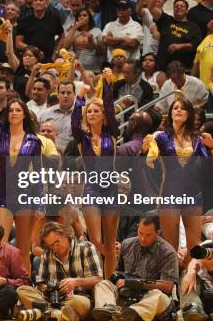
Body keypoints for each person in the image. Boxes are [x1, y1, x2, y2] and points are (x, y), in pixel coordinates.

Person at [142, 98, 213, 256]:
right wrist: (144, 151)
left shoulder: (198, 138)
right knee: (170, 247)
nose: (178, 110)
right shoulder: (161, 137)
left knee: (194, 247)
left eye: (183, 108)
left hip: (193, 196)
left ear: (189, 114)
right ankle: (173, 280)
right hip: (170, 195)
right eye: (175, 107)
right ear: (170, 113)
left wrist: (211, 148)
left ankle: (191, 279)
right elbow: (148, 163)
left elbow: (209, 166)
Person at [0, 98, 42, 273]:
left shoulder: (34, 141)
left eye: (18, 110)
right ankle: (0, 285)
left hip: (25, 195)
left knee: (23, 249)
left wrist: (39, 203)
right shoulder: (0, 134)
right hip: (3, 194)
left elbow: (37, 173)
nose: (14, 113)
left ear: (24, 115)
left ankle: (26, 288)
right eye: (11, 110)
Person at [71, 68, 119, 278]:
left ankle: (109, 282)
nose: (91, 114)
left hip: (111, 189)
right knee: (97, 241)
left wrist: (107, 84)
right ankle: (100, 277)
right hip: (91, 189)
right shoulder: (82, 138)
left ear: (103, 116)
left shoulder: (112, 134)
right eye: (88, 111)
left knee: (109, 241)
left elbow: (109, 106)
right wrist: (80, 97)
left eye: (95, 111)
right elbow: (74, 122)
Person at [92, 214, 178, 321]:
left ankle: (131, 313)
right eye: (140, 233)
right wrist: (117, 279)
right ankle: (110, 309)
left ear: (158, 233)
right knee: (103, 284)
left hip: (151, 298)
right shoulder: (126, 244)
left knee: (158, 296)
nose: (143, 238)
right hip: (127, 294)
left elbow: (168, 286)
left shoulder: (167, 252)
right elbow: (119, 271)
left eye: (148, 235)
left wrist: (138, 282)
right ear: (137, 227)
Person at [17, 221, 103, 321]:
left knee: (82, 303)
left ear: (65, 234)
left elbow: (98, 280)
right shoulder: (47, 254)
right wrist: (47, 288)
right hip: (52, 299)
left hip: (77, 298)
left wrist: (75, 282)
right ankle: (58, 314)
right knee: (22, 290)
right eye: (51, 245)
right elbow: (41, 284)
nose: (55, 247)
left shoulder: (86, 247)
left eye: (56, 242)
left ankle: (44, 313)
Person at [40, 81, 76, 153]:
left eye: (68, 93)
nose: (65, 96)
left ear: (74, 94)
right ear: (57, 95)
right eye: (62, 93)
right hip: (49, 155)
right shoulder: (45, 114)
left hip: (73, 156)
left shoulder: (81, 114)